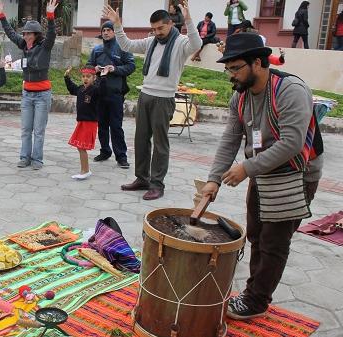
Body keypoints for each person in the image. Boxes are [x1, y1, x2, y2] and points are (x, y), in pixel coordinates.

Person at [201, 32, 323, 320]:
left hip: (297, 173)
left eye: (236, 68)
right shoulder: (240, 97)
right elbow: (230, 140)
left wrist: (246, 169)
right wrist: (213, 179)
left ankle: (257, 300)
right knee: (256, 234)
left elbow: (292, 143)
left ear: (258, 62)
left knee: (274, 242)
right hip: (263, 171)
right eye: (227, 69)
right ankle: (253, 290)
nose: (231, 75)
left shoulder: (289, 90)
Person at [104, 1, 202, 200]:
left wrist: (189, 20)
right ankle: (142, 178)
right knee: (141, 140)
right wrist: (117, 24)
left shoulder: (182, 42)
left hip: (164, 99)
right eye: (154, 29)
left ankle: (157, 184)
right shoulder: (151, 42)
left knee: (160, 143)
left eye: (160, 28)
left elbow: (197, 44)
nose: (157, 32)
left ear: (171, 25)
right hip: (145, 95)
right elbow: (127, 45)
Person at [0, 0, 58, 170]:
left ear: (36, 34)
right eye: (24, 33)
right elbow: (10, 32)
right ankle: (24, 157)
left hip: (42, 95)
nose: (25, 36)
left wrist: (50, 16)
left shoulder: (45, 46)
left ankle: (37, 160)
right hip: (27, 94)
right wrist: (1, 15)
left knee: (38, 131)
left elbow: (52, 34)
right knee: (25, 130)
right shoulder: (23, 45)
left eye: (29, 34)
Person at [86, 20, 135, 169]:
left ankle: (121, 156)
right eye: (104, 30)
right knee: (101, 125)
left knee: (116, 126)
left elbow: (131, 66)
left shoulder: (123, 48)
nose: (106, 32)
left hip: (115, 93)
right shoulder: (97, 50)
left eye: (109, 30)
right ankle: (105, 151)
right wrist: (93, 68)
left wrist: (114, 69)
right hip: (99, 93)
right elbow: (88, 66)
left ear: (114, 32)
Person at [64, 65, 108, 180]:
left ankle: (85, 171)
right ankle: (85, 170)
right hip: (81, 122)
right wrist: (66, 77)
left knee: (81, 147)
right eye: (83, 76)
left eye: (88, 76)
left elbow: (102, 91)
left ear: (94, 78)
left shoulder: (95, 90)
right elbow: (72, 88)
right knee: (79, 147)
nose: (85, 79)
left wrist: (103, 77)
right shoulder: (80, 89)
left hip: (90, 123)